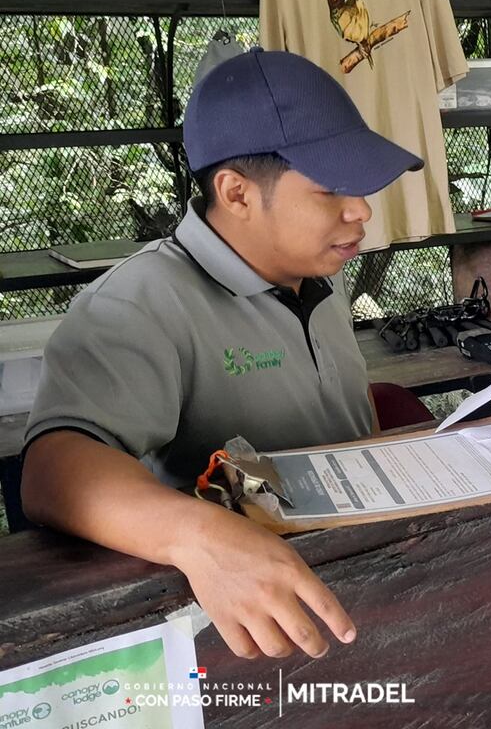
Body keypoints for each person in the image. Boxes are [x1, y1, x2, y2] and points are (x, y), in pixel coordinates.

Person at [21, 49, 425, 662]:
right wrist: (201, 538)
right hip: (257, 630)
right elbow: (52, 469)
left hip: (375, 584)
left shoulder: (321, 275)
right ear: (236, 193)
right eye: (330, 189)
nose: (360, 210)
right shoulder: (138, 304)